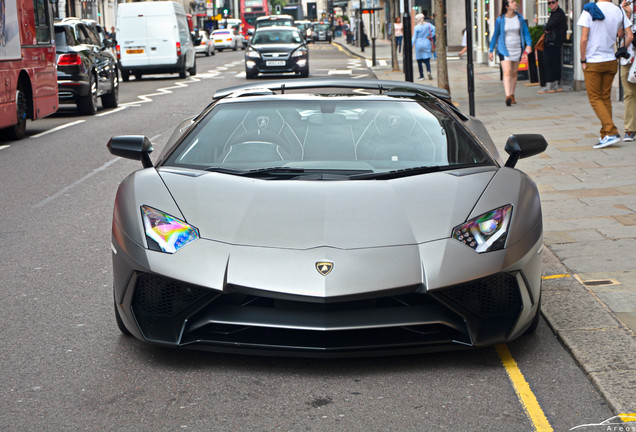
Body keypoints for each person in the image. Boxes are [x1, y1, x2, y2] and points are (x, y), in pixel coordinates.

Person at [578, 0, 633, 148]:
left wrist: (583, 59)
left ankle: (611, 131)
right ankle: (606, 134)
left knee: (595, 98)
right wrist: (622, 49)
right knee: (605, 97)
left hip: (594, 60)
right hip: (611, 60)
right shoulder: (618, 10)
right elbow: (628, 36)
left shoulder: (590, 9)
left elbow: (583, 39)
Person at [488, 0, 532, 106]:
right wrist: (491, 50)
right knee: (507, 72)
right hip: (504, 49)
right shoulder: (500, 20)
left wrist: (529, 44)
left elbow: (526, 33)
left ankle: (512, 94)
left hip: (517, 49)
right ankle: (507, 95)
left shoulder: (520, 18)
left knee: (514, 72)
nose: (515, 3)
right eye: (512, 2)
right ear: (507, 6)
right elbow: (495, 35)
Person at [538, 0, 567, 94]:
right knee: (550, 63)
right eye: (549, 3)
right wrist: (546, 28)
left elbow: (549, 26)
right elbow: (547, 27)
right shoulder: (554, 13)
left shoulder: (559, 14)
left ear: (557, 2)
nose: (551, 5)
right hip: (551, 41)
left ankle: (552, 84)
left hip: (554, 42)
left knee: (550, 63)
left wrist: (547, 28)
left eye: (552, 2)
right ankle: (553, 83)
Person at [620, 0, 636, 142]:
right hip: (628, 56)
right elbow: (619, 33)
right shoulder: (624, 6)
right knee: (629, 93)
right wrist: (627, 14)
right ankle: (630, 129)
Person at [412, 13, 435, 80]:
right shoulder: (428, 25)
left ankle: (421, 75)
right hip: (426, 42)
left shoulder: (416, 27)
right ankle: (428, 71)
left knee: (419, 60)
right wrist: (430, 36)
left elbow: (414, 38)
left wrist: (410, 45)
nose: (415, 20)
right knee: (427, 59)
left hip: (419, 43)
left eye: (416, 19)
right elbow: (434, 29)